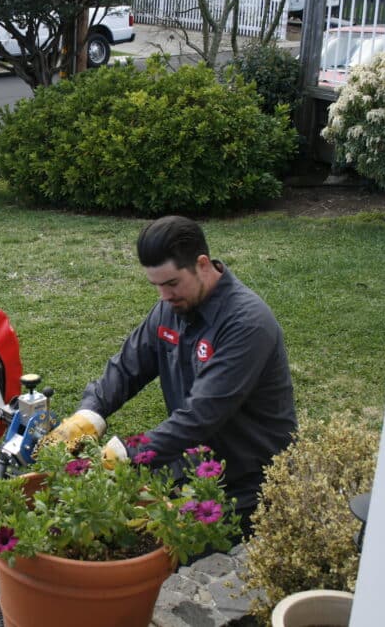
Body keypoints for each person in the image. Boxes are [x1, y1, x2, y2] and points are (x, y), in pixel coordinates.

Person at [45, 215, 296, 534]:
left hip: (247, 484)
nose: (163, 296)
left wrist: (125, 454)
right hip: (190, 463)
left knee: (159, 553)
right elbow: (126, 368)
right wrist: (88, 414)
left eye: (172, 283)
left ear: (202, 264)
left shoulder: (246, 324)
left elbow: (200, 416)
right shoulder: (173, 307)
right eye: (157, 286)